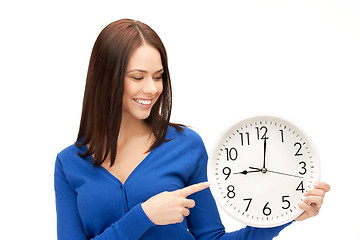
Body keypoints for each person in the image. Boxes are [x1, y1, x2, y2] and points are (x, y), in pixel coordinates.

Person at [54, 19, 330, 240]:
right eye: (137, 77)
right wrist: (144, 216)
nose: (151, 89)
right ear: (106, 79)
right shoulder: (69, 163)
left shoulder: (186, 145)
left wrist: (284, 217)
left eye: (158, 76)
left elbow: (211, 238)